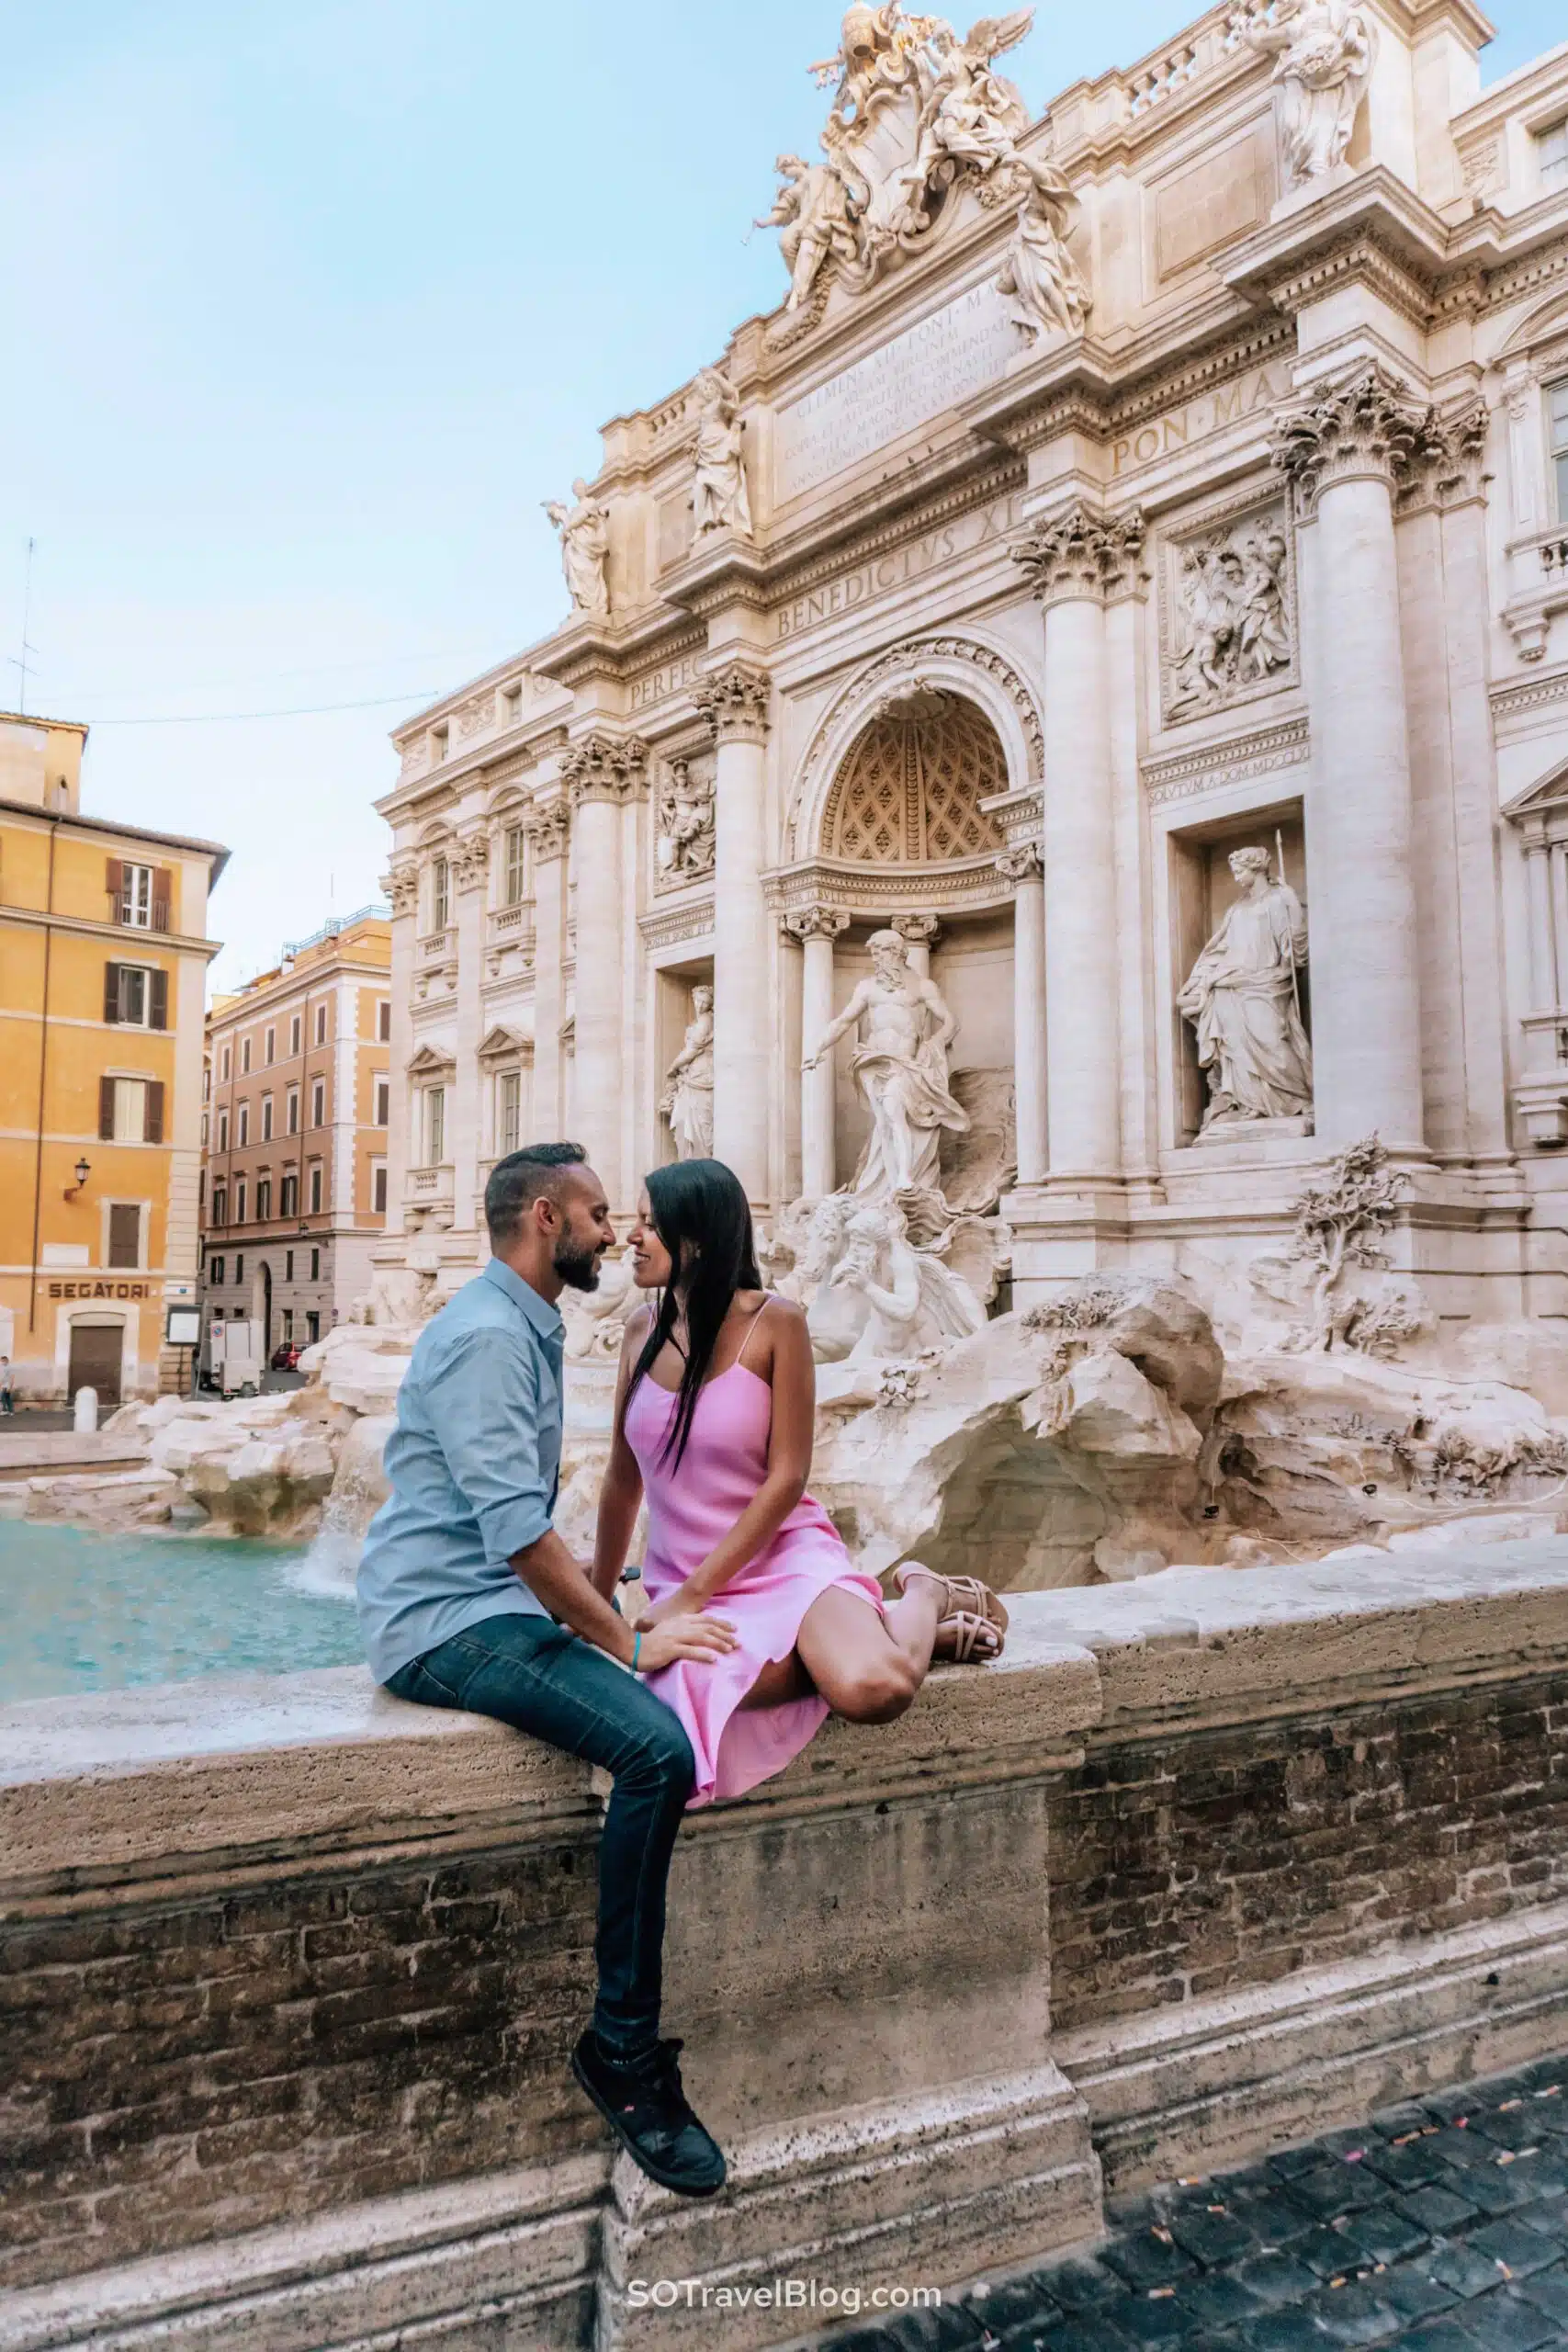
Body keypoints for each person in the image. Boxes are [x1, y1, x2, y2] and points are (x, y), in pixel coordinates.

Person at [357, 1143, 739, 2201]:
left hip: (488, 1604)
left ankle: (624, 2042)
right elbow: (520, 1536)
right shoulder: (489, 1337)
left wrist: (617, 1597)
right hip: (444, 1622)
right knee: (655, 1751)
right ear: (543, 1219)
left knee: (668, 1718)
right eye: (598, 1214)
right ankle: (621, 2048)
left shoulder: (521, 1325)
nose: (615, 1232)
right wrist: (626, 1639)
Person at [593, 1158, 1010, 1815]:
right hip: (686, 1580)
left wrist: (694, 1597)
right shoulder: (639, 1331)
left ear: (696, 1237)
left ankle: (924, 1598)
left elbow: (788, 1478)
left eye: (649, 1225)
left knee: (875, 1690)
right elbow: (622, 1483)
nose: (629, 1238)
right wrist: (594, 1605)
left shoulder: (775, 1323)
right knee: (681, 1680)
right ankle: (901, 1634)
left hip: (782, 1563)